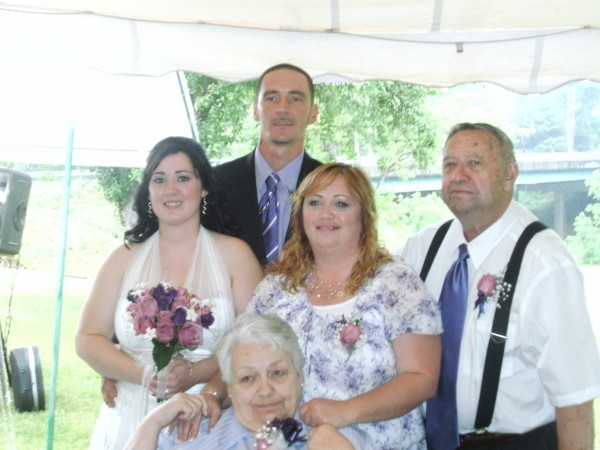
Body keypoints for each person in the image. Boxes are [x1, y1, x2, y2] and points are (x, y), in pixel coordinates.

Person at [213, 162, 441, 450]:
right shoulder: (275, 287)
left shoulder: (396, 283)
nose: (325, 214)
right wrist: (210, 396)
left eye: (341, 204)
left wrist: (344, 412)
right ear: (300, 215)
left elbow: (422, 379)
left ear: (364, 215)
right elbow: (236, 360)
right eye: (315, 202)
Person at [401, 122, 600, 449]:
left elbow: (574, 399)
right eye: (450, 164)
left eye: (475, 163)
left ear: (510, 174)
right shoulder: (422, 248)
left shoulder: (544, 263)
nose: (459, 175)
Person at [75, 136, 264, 450]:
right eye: (159, 179)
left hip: (204, 417)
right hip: (129, 416)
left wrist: (197, 374)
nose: (171, 189)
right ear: (148, 190)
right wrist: (143, 373)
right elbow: (87, 339)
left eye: (183, 178)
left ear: (204, 188)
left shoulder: (236, 256)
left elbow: (255, 345)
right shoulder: (123, 258)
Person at [124, 313, 375, 450]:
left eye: (277, 373)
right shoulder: (191, 435)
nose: (265, 390)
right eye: (247, 378)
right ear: (230, 388)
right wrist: (151, 423)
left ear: (300, 377)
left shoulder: (342, 440)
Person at [213, 63, 321, 265]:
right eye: (271, 98)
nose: (283, 108)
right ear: (255, 110)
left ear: (313, 113)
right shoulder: (213, 184)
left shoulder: (333, 186)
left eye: (295, 98)